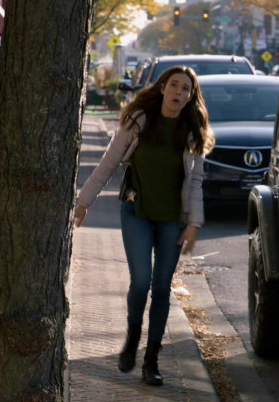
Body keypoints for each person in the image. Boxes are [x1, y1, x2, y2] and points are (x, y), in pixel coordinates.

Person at [74, 65, 214, 386]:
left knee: (162, 288)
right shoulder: (138, 120)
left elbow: (195, 184)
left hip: (172, 220)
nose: (179, 93)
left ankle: (151, 359)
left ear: (191, 97)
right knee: (141, 281)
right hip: (136, 211)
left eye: (186, 89)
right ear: (162, 87)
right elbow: (109, 162)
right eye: (174, 85)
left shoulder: (192, 131)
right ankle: (132, 334)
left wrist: (193, 223)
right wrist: (84, 202)